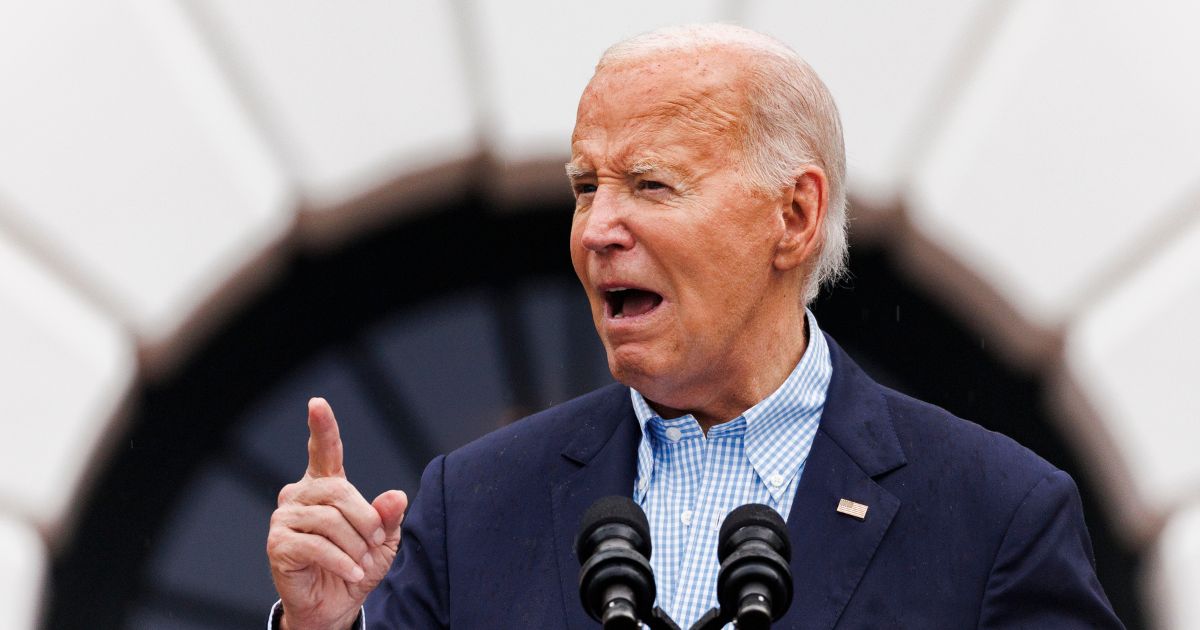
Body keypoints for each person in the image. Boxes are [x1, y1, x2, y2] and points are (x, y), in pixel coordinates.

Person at [266, 24, 1122, 629]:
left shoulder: (994, 513)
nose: (597, 228)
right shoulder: (474, 504)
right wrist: (323, 627)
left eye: (650, 185)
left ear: (793, 215)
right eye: (585, 187)